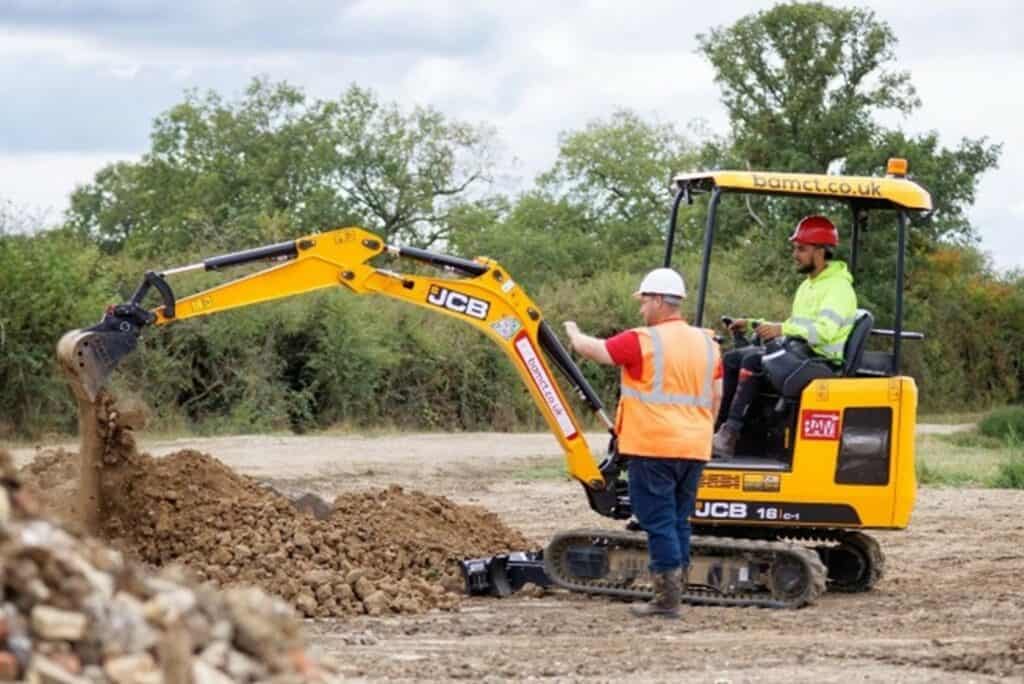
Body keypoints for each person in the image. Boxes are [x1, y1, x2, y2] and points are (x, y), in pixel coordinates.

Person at [563, 267, 722, 619]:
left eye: (644, 301)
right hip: (694, 448)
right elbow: (716, 397)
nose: (640, 309)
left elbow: (598, 351)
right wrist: (698, 429)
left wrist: (573, 332)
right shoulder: (708, 344)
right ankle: (675, 589)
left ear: (659, 302)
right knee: (679, 520)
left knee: (658, 521)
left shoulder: (644, 340)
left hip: (653, 447)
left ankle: (666, 600)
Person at [712, 215, 857, 457]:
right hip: (799, 354)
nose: (795, 254)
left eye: (801, 249)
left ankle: (731, 435)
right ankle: (720, 429)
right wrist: (750, 324)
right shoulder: (809, 285)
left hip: (820, 362)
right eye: (795, 248)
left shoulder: (839, 288)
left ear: (820, 252)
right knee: (734, 358)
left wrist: (780, 330)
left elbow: (824, 332)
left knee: (754, 361)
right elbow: (794, 325)